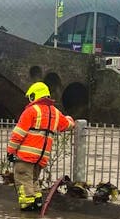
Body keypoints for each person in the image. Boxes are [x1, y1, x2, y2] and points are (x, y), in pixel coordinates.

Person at [6, 82, 75, 210]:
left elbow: (18, 134)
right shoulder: (55, 112)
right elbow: (67, 125)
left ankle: (27, 212)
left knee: (23, 182)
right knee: (33, 181)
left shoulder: (31, 111)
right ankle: (37, 204)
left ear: (34, 95)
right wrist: (70, 119)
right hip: (41, 158)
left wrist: (10, 152)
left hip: (25, 157)